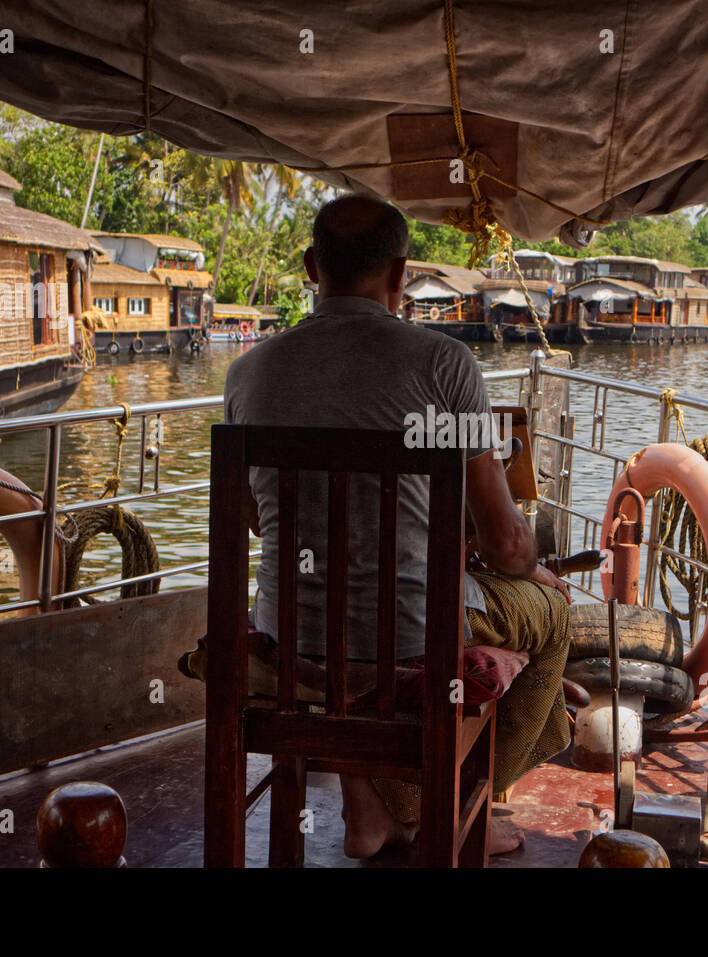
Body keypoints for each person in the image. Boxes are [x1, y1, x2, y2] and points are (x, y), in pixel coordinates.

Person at [218, 193, 571, 859]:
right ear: (401, 274)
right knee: (550, 612)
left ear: (309, 268)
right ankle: (479, 800)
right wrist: (534, 562)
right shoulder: (446, 366)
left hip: (286, 637)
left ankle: (370, 803)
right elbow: (504, 542)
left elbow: (261, 525)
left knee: (349, 615)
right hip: (412, 644)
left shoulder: (246, 374)